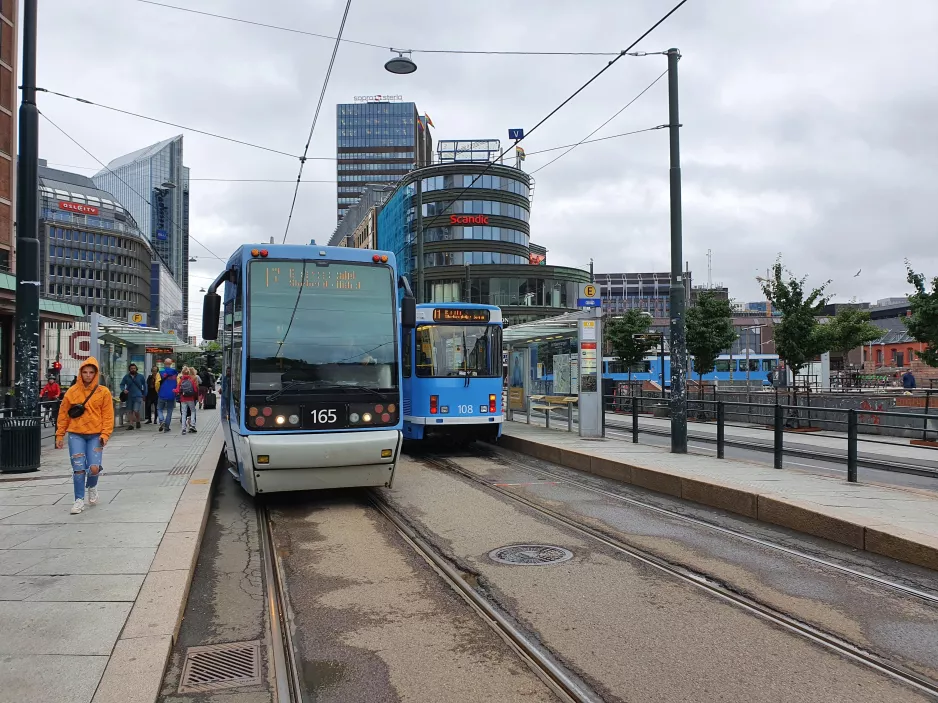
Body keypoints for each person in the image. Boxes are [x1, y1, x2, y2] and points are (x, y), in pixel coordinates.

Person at [55, 357, 113, 515]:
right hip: (76, 434)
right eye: (85, 372)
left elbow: (108, 415)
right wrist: (59, 435)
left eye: (91, 372)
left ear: (96, 374)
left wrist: (105, 434)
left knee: (94, 468)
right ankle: (78, 500)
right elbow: (63, 415)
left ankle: (92, 486)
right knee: (79, 468)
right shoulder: (72, 392)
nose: (88, 375)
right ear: (80, 373)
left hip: (96, 435)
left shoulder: (103, 392)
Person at [119, 363, 146, 430]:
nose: (133, 370)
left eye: (134, 368)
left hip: (138, 395)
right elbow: (122, 384)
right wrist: (124, 390)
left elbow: (145, 385)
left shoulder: (141, 376)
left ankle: (138, 421)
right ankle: (131, 424)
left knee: (136, 410)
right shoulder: (126, 377)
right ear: (129, 370)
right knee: (130, 410)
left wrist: (144, 394)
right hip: (129, 396)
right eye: (131, 369)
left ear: (136, 369)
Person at [176, 366, 199, 434]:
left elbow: (178, 390)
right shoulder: (191, 380)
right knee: (193, 411)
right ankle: (192, 424)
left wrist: (176, 391)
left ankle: (183, 429)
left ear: (182, 373)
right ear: (188, 373)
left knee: (184, 414)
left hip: (183, 399)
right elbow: (195, 390)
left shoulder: (181, 380)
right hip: (190, 399)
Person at [157, 358, 178, 432]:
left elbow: (157, 383)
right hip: (171, 394)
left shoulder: (160, 372)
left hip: (162, 393)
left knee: (159, 409)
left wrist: (158, 391)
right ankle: (167, 427)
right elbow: (178, 382)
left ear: (164, 363)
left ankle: (161, 420)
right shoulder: (175, 372)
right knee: (169, 410)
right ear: (171, 363)